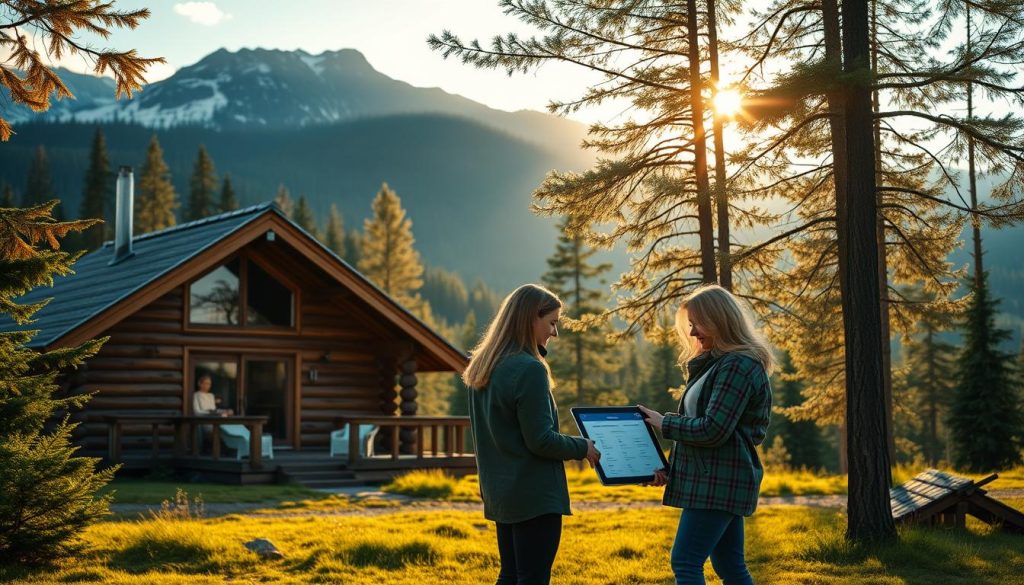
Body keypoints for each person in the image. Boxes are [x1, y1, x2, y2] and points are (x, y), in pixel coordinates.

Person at [462, 283, 601, 585]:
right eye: (552, 323)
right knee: (533, 578)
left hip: (502, 493)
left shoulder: (483, 367)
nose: (555, 333)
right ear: (530, 319)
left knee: (511, 576)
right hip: (534, 496)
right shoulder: (529, 369)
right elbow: (541, 440)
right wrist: (583, 447)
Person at [637, 284, 773, 585]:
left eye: (698, 324)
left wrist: (665, 423)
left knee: (685, 562)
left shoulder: (737, 365)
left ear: (719, 321)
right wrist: (670, 470)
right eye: (691, 325)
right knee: (731, 567)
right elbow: (707, 434)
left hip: (720, 482)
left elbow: (714, 429)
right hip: (717, 479)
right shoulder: (721, 364)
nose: (694, 332)